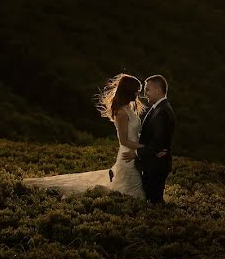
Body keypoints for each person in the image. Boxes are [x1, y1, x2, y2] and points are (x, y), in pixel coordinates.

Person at [22, 73, 150, 198]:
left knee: (132, 192)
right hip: (128, 155)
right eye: (136, 91)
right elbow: (123, 140)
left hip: (135, 153)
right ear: (128, 91)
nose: (137, 94)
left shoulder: (129, 109)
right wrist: (145, 147)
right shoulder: (121, 113)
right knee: (132, 194)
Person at [123, 74, 176, 205]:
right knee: (151, 200)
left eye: (148, 90)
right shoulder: (158, 108)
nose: (145, 94)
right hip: (151, 162)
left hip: (156, 165)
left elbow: (157, 144)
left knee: (155, 201)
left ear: (158, 90)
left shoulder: (163, 111)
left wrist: (135, 153)